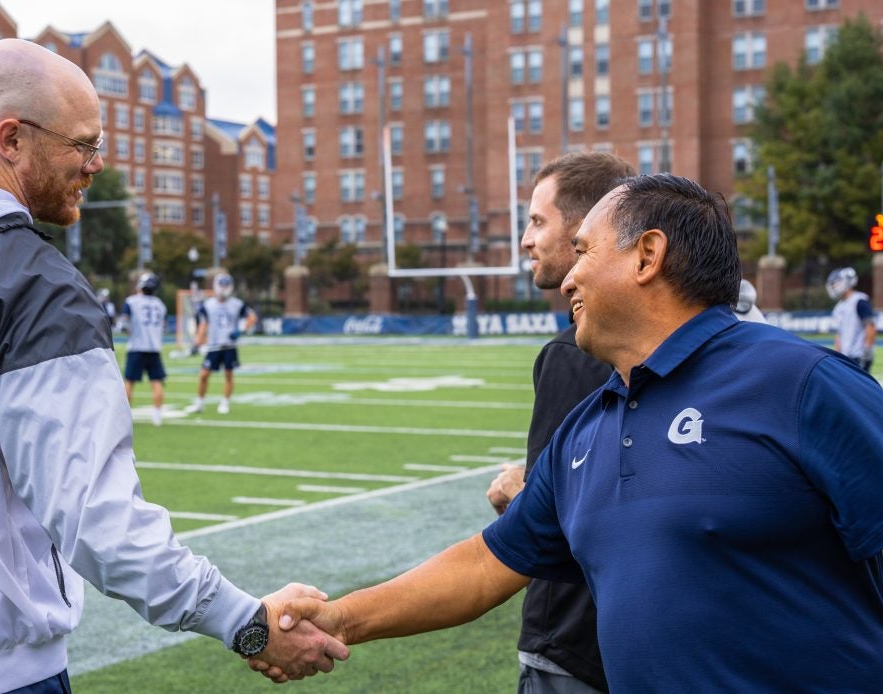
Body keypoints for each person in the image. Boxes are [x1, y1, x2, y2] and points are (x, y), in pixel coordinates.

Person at [259, 174, 883, 690]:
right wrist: (340, 617)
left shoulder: (803, 385)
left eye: (583, 251)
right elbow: (484, 565)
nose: (565, 279)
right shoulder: (591, 423)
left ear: (647, 255)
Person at [0, 38, 346, 693]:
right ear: (11, 138)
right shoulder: (36, 289)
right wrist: (247, 622)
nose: (96, 164)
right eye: (83, 144)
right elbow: (101, 524)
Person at [486, 152, 634, 694]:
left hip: (573, 638)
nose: (526, 239)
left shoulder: (579, 352)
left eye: (537, 221)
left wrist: (518, 495)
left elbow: (551, 519)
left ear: (584, 229)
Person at [185, 272, 257, 415]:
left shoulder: (237, 304)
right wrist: (197, 341)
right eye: (221, 285)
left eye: (226, 285)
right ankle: (199, 403)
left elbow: (252, 317)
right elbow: (203, 325)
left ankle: (225, 403)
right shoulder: (208, 305)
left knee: (228, 375)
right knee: (204, 375)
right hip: (214, 345)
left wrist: (241, 329)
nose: (224, 288)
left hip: (229, 346)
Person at [122, 271, 168, 426]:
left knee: (129, 382)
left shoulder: (131, 301)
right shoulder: (160, 305)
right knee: (156, 382)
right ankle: (157, 416)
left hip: (136, 347)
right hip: (154, 347)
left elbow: (124, 325)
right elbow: (163, 326)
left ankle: (124, 417)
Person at [826, 266, 876, 371]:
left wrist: (867, 350)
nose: (834, 285)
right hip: (845, 355)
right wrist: (838, 353)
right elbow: (839, 334)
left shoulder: (859, 301)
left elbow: (870, 326)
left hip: (859, 354)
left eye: (837, 282)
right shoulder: (838, 307)